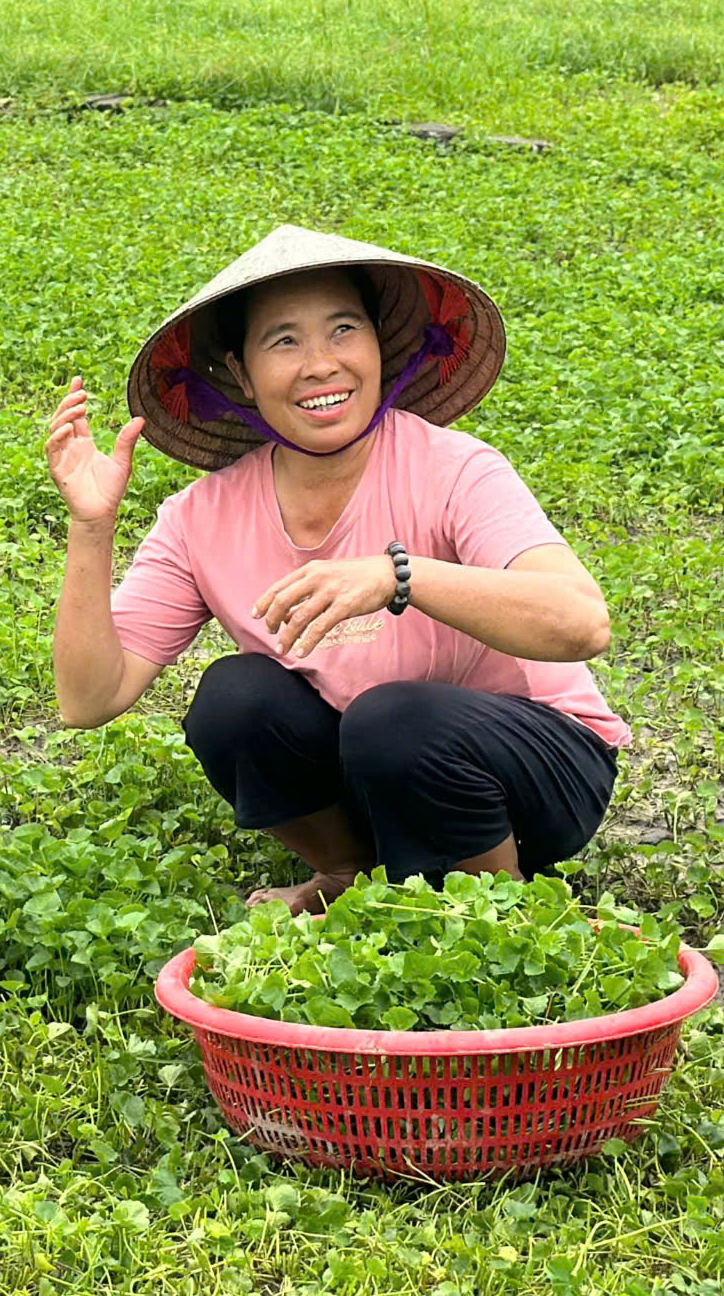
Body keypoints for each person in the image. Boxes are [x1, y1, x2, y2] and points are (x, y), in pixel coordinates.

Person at [45, 225, 628, 915]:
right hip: (378, 768)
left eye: (344, 330)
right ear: (240, 374)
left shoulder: (455, 469)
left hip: (537, 769)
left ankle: (500, 911)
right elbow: (89, 700)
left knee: (393, 720)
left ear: (378, 347)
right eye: (283, 341)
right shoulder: (202, 517)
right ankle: (352, 873)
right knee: (235, 699)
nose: (321, 364)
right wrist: (91, 527)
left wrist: (398, 577)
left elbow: (583, 623)